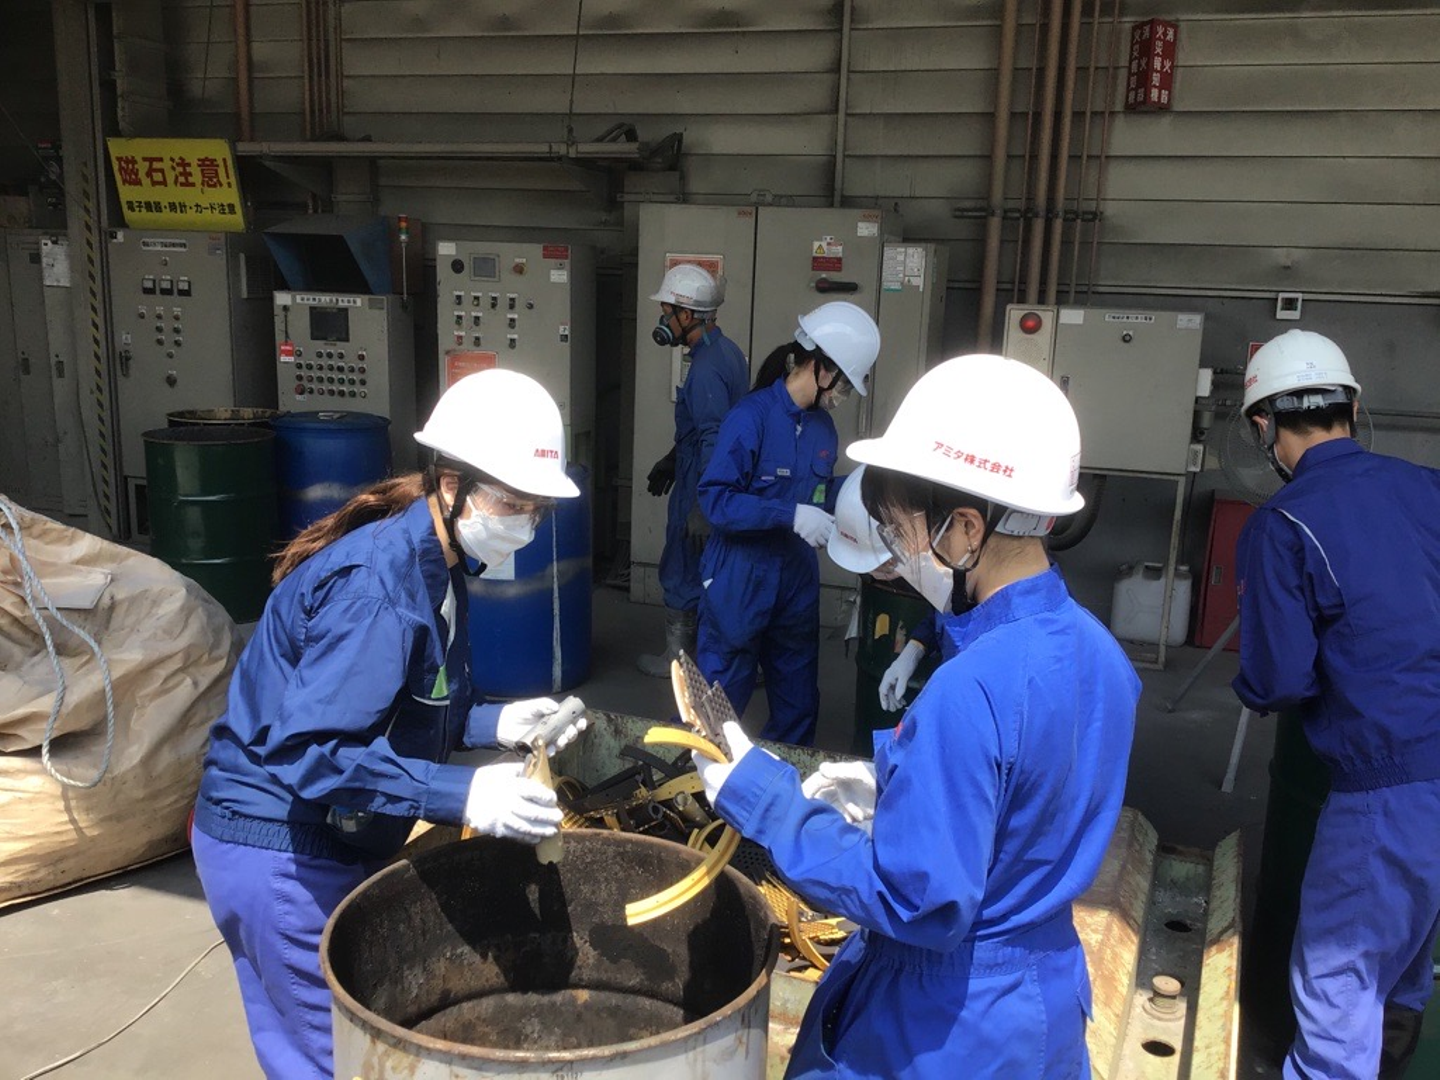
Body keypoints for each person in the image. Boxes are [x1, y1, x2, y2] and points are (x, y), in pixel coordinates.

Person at [692, 354, 1140, 1078]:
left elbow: (919, 902)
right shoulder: (1100, 655)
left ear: (965, 529)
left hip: (946, 1021)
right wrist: (903, 793)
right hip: (1043, 1000)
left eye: (901, 532)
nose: (898, 556)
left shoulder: (970, 690)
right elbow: (1024, 810)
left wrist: (769, 802)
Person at [191, 369, 591, 1080]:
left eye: (535, 510)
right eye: (512, 504)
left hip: (315, 834)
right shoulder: (378, 587)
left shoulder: (440, 562)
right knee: (340, 1060)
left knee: (310, 1051)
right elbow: (312, 751)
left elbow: (409, 704)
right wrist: (462, 794)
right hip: (280, 846)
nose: (524, 525)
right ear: (452, 486)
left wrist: (497, 722)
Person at [1232, 329, 1440, 1080]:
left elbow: (1279, 681)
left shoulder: (1284, 523)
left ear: (1264, 426)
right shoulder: (1428, 488)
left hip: (1384, 793)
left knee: (1337, 997)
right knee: (1404, 970)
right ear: (1353, 404)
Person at [695, 300, 881, 746]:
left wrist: (865, 489)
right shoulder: (751, 417)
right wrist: (788, 514)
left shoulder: (822, 429)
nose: (843, 395)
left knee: (798, 705)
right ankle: (701, 780)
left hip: (795, 581)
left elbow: (818, 495)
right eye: (844, 383)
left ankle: (781, 783)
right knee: (718, 705)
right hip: (740, 577)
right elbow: (716, 501)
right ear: (821, 367)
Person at [636, 263, 750, 677]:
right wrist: (672, 457)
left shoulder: (704, 369)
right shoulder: (727, 352)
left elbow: (712, 437)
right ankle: (727, 660)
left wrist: (702, 503)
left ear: (687, 315)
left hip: (701, 480)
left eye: (667, 312)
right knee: (716, 572)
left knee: (682, 568)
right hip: (707, 473)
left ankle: (680, 664)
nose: (662, 319)